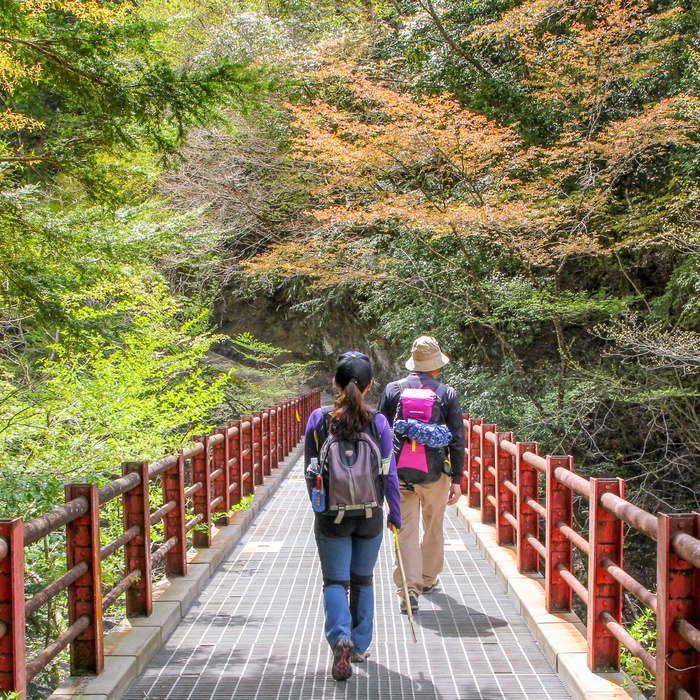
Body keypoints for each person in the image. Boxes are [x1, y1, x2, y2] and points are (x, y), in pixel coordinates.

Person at [304, 351, 401, 681]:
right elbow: (389, 474)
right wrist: (395, 514)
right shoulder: (380, 423)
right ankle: (359, 645)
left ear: (335, 384)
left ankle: (339, 637)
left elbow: (310, 472)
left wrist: (320, 508)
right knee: (363, 579)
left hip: (332, 515)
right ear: (371, 385)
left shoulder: (319, 419)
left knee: (335, 581)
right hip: (370, 514)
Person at [378, 335, 465, 614]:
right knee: (434, 527)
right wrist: (458, 479)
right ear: (436, 364)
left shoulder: (393, 390)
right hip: (436, 474)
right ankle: (427, 580)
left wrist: (381, 474)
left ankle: (408, 590)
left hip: (399, 473)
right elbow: (457, 440)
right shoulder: (447, 393)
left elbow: (381, 433)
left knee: (405, 530)